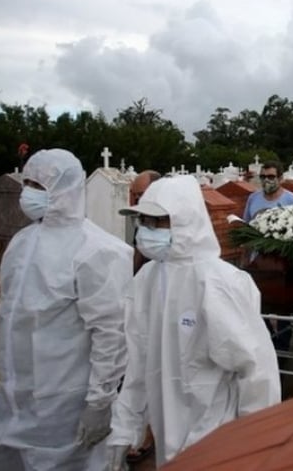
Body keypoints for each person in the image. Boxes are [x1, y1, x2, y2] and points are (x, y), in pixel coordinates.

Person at [109, 176, 281, 469]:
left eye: (157, 222)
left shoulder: (219, 283)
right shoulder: (147, 281)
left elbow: (256, 370)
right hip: (168, 436)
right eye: (144, 222)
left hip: (217, 440)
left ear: (185, 220)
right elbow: (137, 364)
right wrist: (124, 429)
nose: (147, 231)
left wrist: (256, 442)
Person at [0, 149, 131, 471]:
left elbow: (110, 333)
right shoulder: (22, 242)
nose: (28, 193)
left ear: (65, 189)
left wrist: (99, 401)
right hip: (16, 395)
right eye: (28, 182)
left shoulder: (97, 250)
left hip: (65, 400)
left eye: (39, 185)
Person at [243, 160, 293, 352]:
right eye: (263, 177)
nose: (266, 180)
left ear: (280, 178)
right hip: (259, 264)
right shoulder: (253, 199)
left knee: (284, 309)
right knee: (259, 307)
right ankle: (268, 344)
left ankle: (282, 347)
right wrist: (246, 260)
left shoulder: (292, 200)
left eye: (271, 177)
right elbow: (246, 228)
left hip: (284, 264)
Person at [124, 169, 161, 465]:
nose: (135, 199)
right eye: (134, 194)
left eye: (139, 194)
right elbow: (138, 254)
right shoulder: (143, 225)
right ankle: (142, 427)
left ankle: (150, 432)